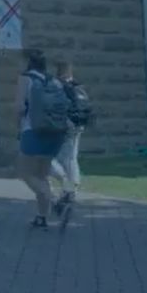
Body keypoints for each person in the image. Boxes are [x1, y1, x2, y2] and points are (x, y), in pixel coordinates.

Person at [16, 49, 68, 230]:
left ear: (28, 62)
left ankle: (56, 202)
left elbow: (19, 108)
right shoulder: (54, 80)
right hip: (56, 132)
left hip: (33, 131)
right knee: (41, 175)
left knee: (25, 173)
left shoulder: (25, 79)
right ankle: (42, 216)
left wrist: (17, 123)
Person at [51, 60, 87, 213]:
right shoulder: (78, 86)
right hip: (79, 124)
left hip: (66, 126)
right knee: (72, 157)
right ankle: (73, 188)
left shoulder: (60, 86)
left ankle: (69, 189)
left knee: (58, 159)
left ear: (59, 72)